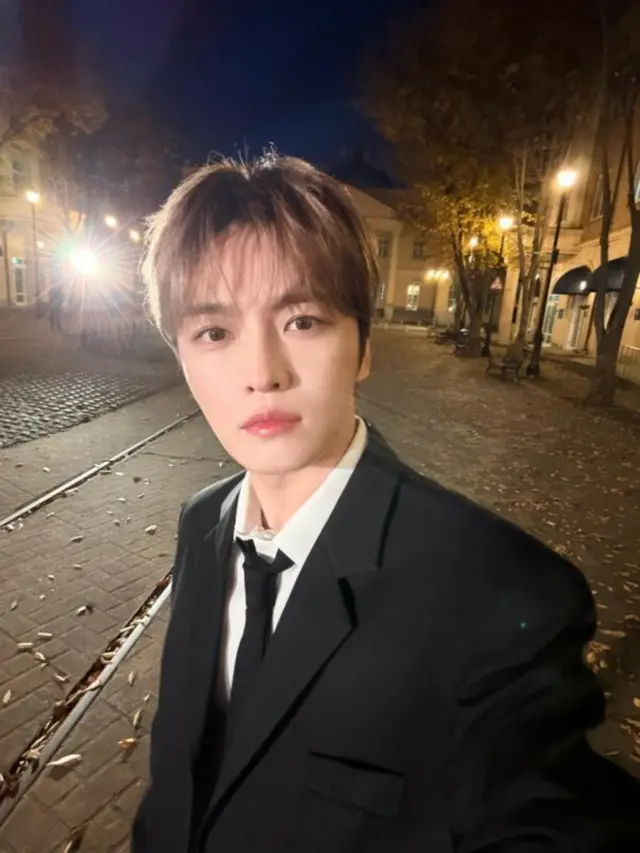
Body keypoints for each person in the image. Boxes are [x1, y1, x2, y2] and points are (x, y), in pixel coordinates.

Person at [131, 153, 639, 853]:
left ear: (363, 346)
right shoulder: (202, 525)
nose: (262, 373)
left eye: (302, 320)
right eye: (215, 333)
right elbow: (178, 775)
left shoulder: (497, 593)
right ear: (184, 359)